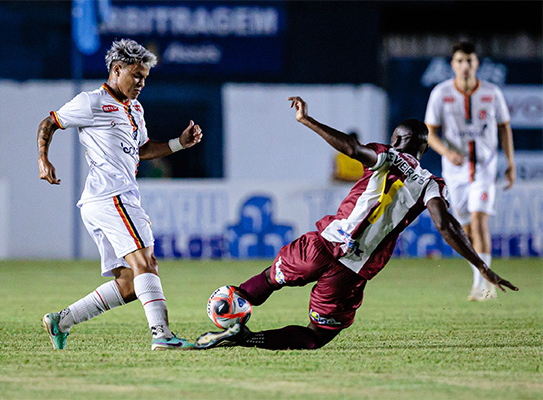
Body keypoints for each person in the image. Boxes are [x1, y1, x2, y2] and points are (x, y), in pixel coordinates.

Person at [194, 96, 518, 351]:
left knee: (270, 277)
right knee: (316, 335)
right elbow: (446, 226)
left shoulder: (385, 154)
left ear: (396, 138)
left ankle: (233, 304)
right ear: (423, 148)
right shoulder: (432, 184)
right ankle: (244, 339)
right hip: (352, 269)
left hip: (321, 245)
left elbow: (350, 148)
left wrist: (306, 119)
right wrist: (480, 265)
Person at [37, 39, 203, 350]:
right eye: (136, 75)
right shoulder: (92, 102)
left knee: (129, 284)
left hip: (109, 200)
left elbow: (142, 149)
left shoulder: (135, 109)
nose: (141, 83)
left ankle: (62, 320)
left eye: (145, 77)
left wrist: (179, 143)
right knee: (147, 262)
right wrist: (43, 158)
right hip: (111, 196)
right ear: (117, 69)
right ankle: (163, 336)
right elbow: (50, 122)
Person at [424, 41, 515, 301]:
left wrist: (510, 163)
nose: (465, 66)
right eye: (460, 61)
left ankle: (482, 287)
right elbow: (430, 132)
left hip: (485, 168)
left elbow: (504, 127)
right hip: (455, 172)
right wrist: (446, 152)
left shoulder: (491, 92)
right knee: (465, 231)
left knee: (479, 222)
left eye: (470, 60)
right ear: (452, 64)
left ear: (477, 64)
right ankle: (480, 280)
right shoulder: (441, 94)